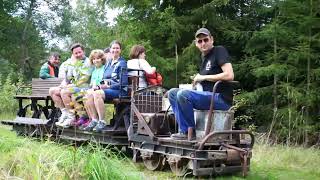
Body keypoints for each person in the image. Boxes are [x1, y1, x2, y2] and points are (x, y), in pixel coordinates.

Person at [168, 28, 234, 140]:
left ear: (211, 39)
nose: (203, 43)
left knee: (183, 94)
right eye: (200, 41)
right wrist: (196, 83)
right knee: (172, 93)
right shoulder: (204, 58)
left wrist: (203, 77)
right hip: (208, 96)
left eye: (205, 40)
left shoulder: (219, 51)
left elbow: (229, 75)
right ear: (196, 44)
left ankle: (189, 132)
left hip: (221, 98)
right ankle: (184, 130)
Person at [83, 40, 128, 132]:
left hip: (119, 90)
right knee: (89, 93)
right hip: (108, 89)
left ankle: (102, 121)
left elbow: (123, 83)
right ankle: (94, 120)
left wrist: (108, 86)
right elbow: (104, 79)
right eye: (113, 48)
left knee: (98, 94)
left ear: (120, 50)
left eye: (117, 48)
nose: (115, 50)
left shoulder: (122, 63)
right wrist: (98, 86)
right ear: (110, 50)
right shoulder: (108, 63)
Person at [49, 43, 93, 128]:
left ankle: (71, 117)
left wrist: (69, 86)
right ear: (73, 54)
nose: (78, 55)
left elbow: (85, 79)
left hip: (85, 87)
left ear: (83, 51)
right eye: (75, 53)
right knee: (53, 91)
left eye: (79, 52)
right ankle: (64, 113)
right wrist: (63, 84)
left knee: (65, 92)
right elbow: (68, 78)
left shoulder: (88, 62)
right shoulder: (74, 63)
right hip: (74, 87)